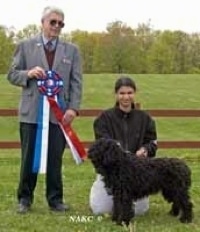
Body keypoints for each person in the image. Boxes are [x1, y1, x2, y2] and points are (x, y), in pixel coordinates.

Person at [7, 6, 82, 214]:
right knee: (29, 157)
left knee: (55, 159)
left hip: (60, 115)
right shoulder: (25, 46)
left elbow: (76, 83)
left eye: (61, 23)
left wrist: (73, 109)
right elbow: (11, 75)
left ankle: (55, 199)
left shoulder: (72, 51)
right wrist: (29, 73)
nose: (57, 26)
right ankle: (24, 199)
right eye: (53, 22)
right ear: (43, 22)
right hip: (31, 114)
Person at [89, 76, 157, 216]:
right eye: (122, 93)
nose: (126, 97)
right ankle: (99, 189)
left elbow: (152, 142)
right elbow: (102, 144)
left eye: (129, 93)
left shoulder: (145, 118)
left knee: (139, 211)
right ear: (116, 94)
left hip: (137, 171)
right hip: (111, 171)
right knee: (101, 210)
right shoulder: (104, 118)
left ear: (135, 94)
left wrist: (145, 149)